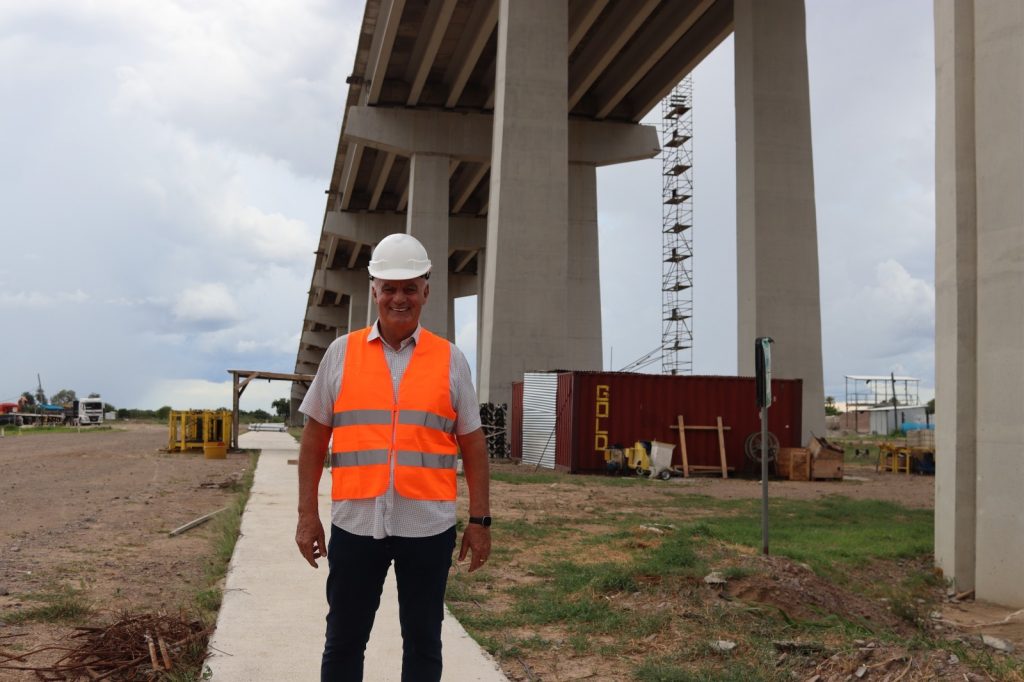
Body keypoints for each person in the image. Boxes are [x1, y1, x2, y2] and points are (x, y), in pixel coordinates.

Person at [295, 233, 492, 682]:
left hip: (427, 527)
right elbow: (313, 439)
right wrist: (308, 515)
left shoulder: (450, 359)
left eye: (409, 288)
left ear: (426, 290)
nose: (398, 298)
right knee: (344, 640)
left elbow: (474, 445)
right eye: (389, 287)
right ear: (374, 291)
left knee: (424, 643)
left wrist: (480, 522)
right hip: (356, 525)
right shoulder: (341, 354)